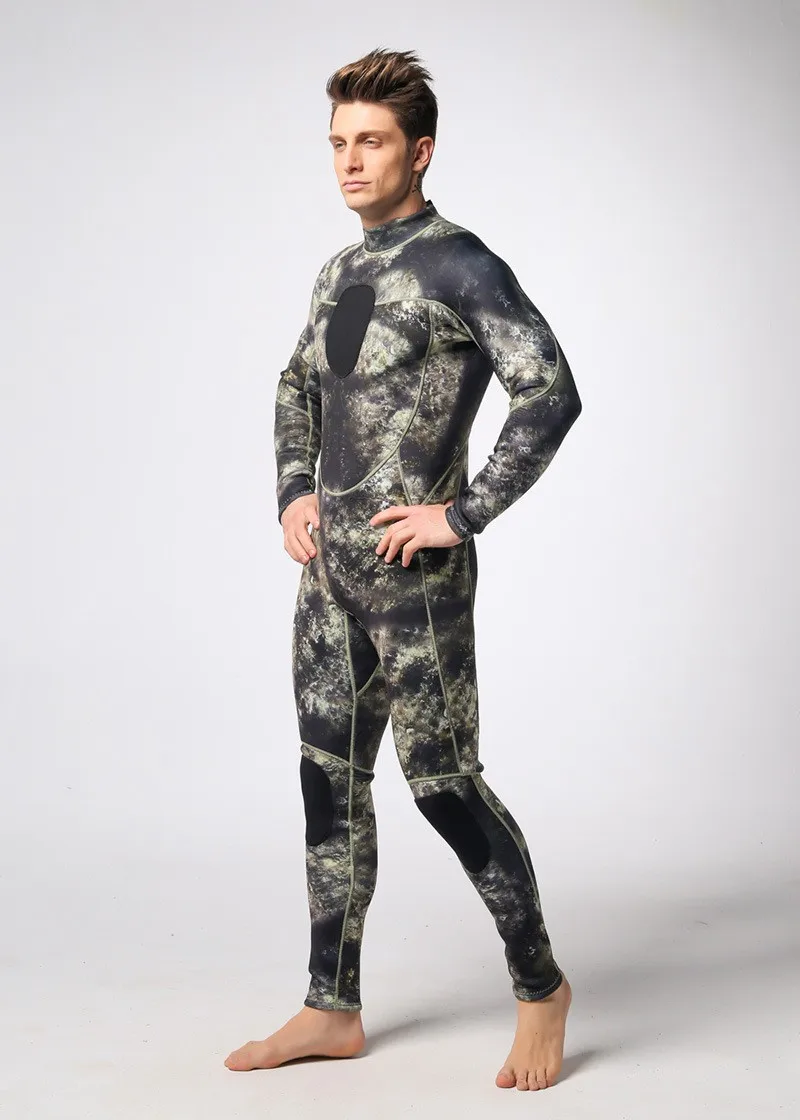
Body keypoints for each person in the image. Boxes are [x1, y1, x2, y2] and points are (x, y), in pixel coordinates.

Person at [225, 46, 582, 1092]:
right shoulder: (341, 272)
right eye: (338, 142)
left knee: (442, 785)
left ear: (419, 151)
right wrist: (293, 491)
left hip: (411, 583)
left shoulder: (458, 264)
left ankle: (540, 987)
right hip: (328, 579)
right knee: (326, 783)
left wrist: (461, 515)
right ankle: (330, 1006)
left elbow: (549, 390)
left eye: (370, 141)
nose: (349, 160)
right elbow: (299, 385)